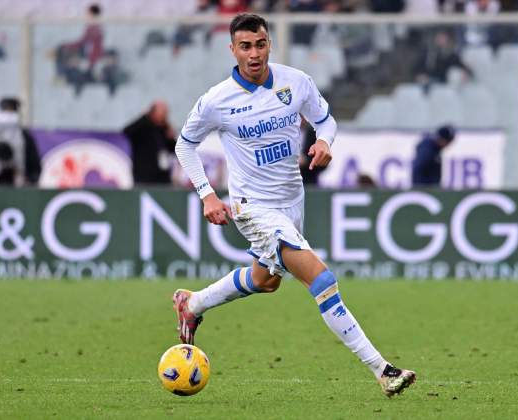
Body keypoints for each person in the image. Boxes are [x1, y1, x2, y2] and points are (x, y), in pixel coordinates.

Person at [172, 13, 416, 398]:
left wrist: (324, 141)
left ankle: (192, 303)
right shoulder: (217, 101)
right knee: (321, 280)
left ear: (270, 43)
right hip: (253, 207)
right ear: (232, 49)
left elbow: (326, 120)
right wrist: (206, 193)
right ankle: (382, 370)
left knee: (265, 281)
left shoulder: (295, 82)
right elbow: (184, 145)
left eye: (261, 44)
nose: (254, 53)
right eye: (245, 46)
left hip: (291, 201)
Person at [0, 97, 41, 186]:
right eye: (6, 109)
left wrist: (31, 179)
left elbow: (33, 161)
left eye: (10, 109)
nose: (8, 113)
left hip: (17, 183)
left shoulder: (23, 136)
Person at [122, 101, 176, 185]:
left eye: (165, 113)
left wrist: (171, 138)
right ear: (152, 112)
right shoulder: (142, 126)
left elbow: (173, 150)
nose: (164, 116)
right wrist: (144, 117)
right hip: (144, 175)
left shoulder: (164, 129)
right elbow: (126, 131)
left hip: (162, 175)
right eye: (162, 113)